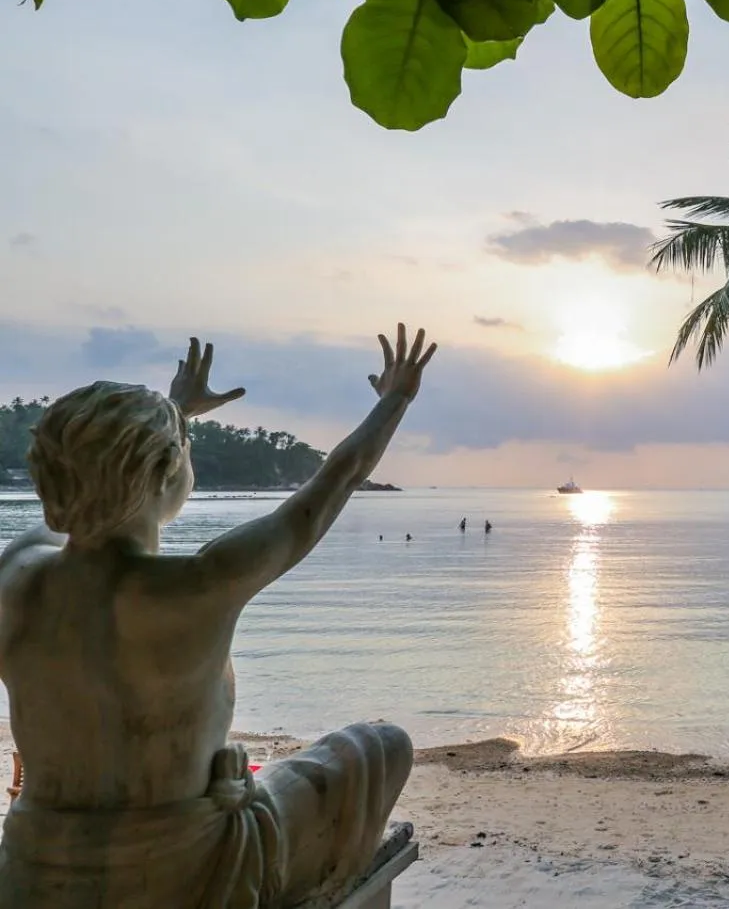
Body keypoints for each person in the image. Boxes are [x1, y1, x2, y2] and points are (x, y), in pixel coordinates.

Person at [0, 327, 437, 908]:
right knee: (381, 745)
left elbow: (80, 496)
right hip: (176, 874)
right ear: (164, 470)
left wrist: (174, 414)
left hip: (34, 866)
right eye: (182, 453)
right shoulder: (197, 586)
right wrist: (395, 400)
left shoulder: (16, 576)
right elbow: (336, 481)